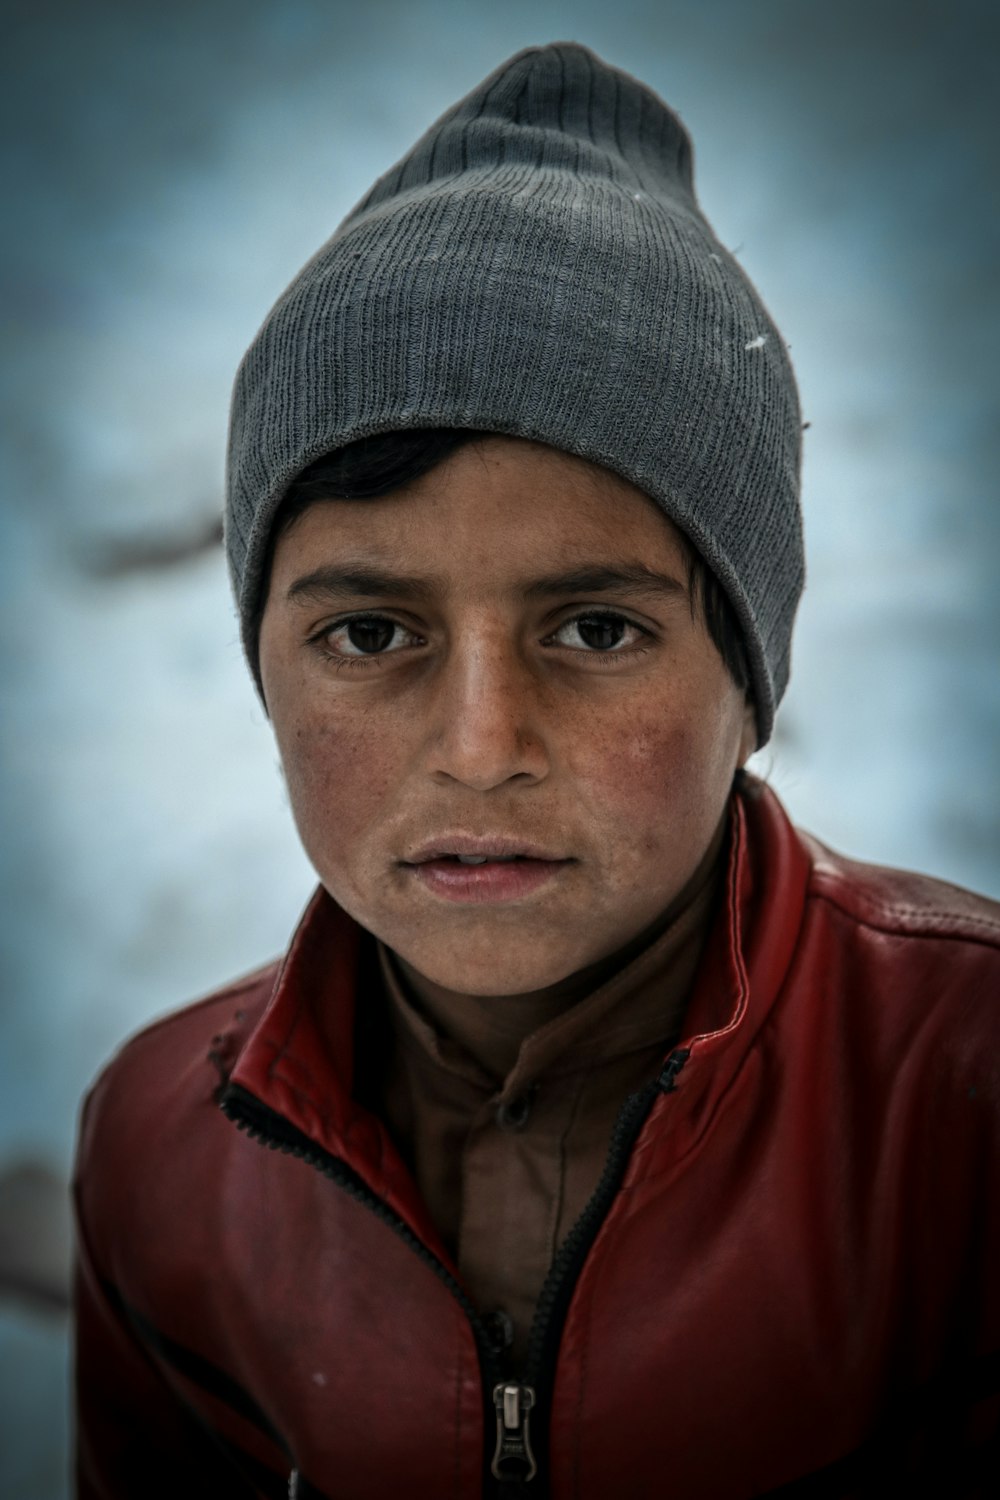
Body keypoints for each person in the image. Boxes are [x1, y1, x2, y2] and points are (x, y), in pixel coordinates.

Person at [72, 41, 999, 1499]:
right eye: (370, 632)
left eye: (595, 627)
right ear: (265, 669)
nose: (482, 747)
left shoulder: (964, 1102)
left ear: (748, 681)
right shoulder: (164, 1151)